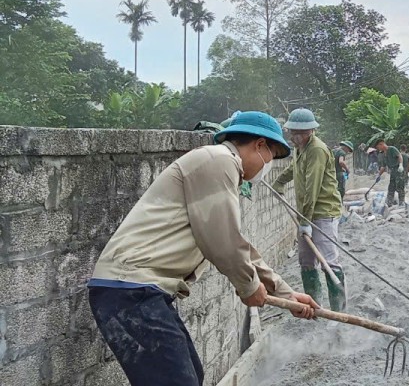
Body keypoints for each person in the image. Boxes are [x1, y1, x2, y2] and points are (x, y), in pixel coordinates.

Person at [88, 111, 318, 386]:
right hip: (129, 289)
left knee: (191, 376)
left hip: (141, 291)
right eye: (271, 156)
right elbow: (223, 243)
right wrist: (248, 287)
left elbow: (236, 243)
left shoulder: (218, 165)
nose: (268, 165)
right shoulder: (218, 161)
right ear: (260, 145)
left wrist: (286, 293)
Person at [272, 108, 347, 312]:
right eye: (292, 132)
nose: (293, 136)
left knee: (328, 261)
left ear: (308, 132)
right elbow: (294, 169)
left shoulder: (316, 150)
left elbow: (311, 188)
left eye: (297, 133)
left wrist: (305, 222)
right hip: (306, 213)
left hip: (322, 212)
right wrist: (279, 181)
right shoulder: (300, 148)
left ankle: (338, 310)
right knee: (306, 261)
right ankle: (314, 306)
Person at [376, 138, 405, 206]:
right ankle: (389, 203)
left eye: (378, 147)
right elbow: (383, 166)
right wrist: (379, 175)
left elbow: (399, 156)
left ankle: (401, 202)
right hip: (392, 171)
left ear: (381, 144)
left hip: (398, 170)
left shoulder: (392, 149)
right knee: (391, 187)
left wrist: (401, 165)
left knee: (399, 187)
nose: (378, 149)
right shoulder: (383, 154)